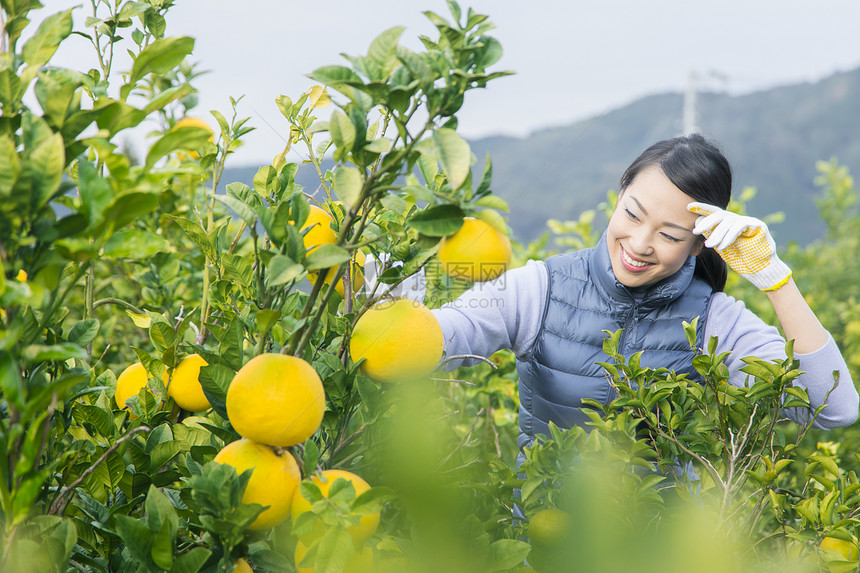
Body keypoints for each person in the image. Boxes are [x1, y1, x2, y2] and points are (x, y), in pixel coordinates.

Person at [431, 134, 859, 468]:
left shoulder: (714, 323)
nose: (639, 243)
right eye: (632, 214)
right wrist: (385, 277)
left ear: (699, 245)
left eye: (670, 235)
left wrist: (775, 278)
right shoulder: (540, 289)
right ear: (619, 196)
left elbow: (834, 409)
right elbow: (438, 339)